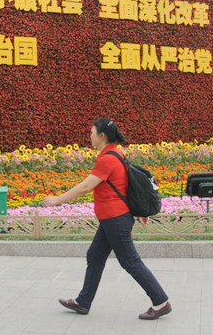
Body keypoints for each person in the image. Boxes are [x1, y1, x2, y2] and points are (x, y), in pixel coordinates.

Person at [42, 117, 171, 321]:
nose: (90, 136)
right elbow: (123, 186)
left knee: (130, 262)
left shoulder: (108, 159)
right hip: (112, 218)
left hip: (115, 219)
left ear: (102, 136)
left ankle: (161, 302)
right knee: (95, 256)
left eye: (92, 132)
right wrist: (137, 212)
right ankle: (83, 302)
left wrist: (57, 199)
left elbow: (85, 187)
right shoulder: (113, 154)